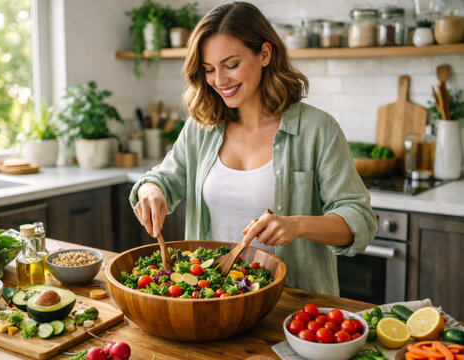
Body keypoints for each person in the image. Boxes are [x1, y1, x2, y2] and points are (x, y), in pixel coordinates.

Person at [130, 2, 377, 296]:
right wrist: (151, 192)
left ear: (264, 54)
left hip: (290, 307)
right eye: (209, 69)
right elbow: (164, 178)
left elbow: (358, 219)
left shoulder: (316, 129)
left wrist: (296, 225)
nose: (219, 81)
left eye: (231, 65)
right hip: (213, 299)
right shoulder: (202, 127)